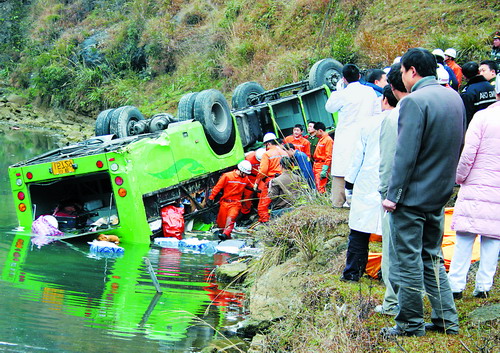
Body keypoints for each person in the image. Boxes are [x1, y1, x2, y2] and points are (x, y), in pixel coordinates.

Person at [381, 48, 464, 337]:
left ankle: (410, 324)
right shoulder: (453, 96)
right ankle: (446, 319)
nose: (401, 77)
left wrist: (393, 195)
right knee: (432, 257)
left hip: (412, 197)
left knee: (407, 261)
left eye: (402, 71)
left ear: (412, 71)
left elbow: (405, 155)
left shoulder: (414, 102)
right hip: (439, 194)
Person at [341, 85, 397, 282]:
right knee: (391, 234)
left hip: (367, 180)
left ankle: (352, 273)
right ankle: (386, 274)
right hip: (393, 181)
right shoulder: (405, 121)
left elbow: (357, 158)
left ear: (384, 101)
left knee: (359, 231)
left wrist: (349, 184)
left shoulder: (368, 124)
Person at [448, 105, 500, 299]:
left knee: (464, 236)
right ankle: (484, 286)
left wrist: (459, 177)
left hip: (477, 183)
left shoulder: (483, 116)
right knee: (493, 237)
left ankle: (455, 285)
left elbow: (468, 152)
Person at [377, 63, 409, 316]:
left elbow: (388, 161)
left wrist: (385, 193)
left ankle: (392, 302)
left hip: (398, 195)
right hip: (433, 192)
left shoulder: (394, 118)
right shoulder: (446, 103)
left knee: (393, 249)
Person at [325, 64, 379, 207]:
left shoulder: (342, 94)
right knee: (362, 168)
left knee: (342, 170)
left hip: (346, 138)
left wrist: (337, 90)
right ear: (359, 76)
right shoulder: (369, 91)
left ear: (343, 78)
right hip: (365, 135)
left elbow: (329, 107)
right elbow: (377, 111)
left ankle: (338, 203)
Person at [208, 160, 253, 240]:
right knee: (221, 223)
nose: (246, 175)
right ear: (241, 170)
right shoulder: (227, 176)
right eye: (245, 173)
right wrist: (211, 198)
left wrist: (258, 189)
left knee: (231, 219)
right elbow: (218, 187)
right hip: (225, 203)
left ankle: (225, 234)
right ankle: (224, 236)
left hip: (235, 204)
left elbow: (251, 186)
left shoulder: (245, 179)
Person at [255, 132, 288, 223]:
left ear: (268, 143)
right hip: (285, 179)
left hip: (272, 181)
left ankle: (266, 225)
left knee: (263, 206)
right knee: (283, 203)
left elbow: (263, 171)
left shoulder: (267, 154)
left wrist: (257, 182)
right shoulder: (284, 152)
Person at [460, 61, 496, 127]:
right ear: (479, 72)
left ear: (464, 76)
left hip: (476, 128)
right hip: (493, 125)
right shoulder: (491, 87)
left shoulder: (468, 91)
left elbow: (467, 115)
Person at [240, 148, 265, 217]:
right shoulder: (249, 158)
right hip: (250, 177)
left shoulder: (266, 157)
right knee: (247, 196)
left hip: (261, 177)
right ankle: (246, 213)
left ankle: (262, 209)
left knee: (262, 193)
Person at [312, 122, 334, 194]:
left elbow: (329, 156)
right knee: (318, 186)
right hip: (317, 165)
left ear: (320, 130)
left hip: (321, 165)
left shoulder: (328, 140)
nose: (314, 133)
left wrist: (324, 170)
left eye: (315, 131)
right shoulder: (321, 139)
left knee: (320, 187)